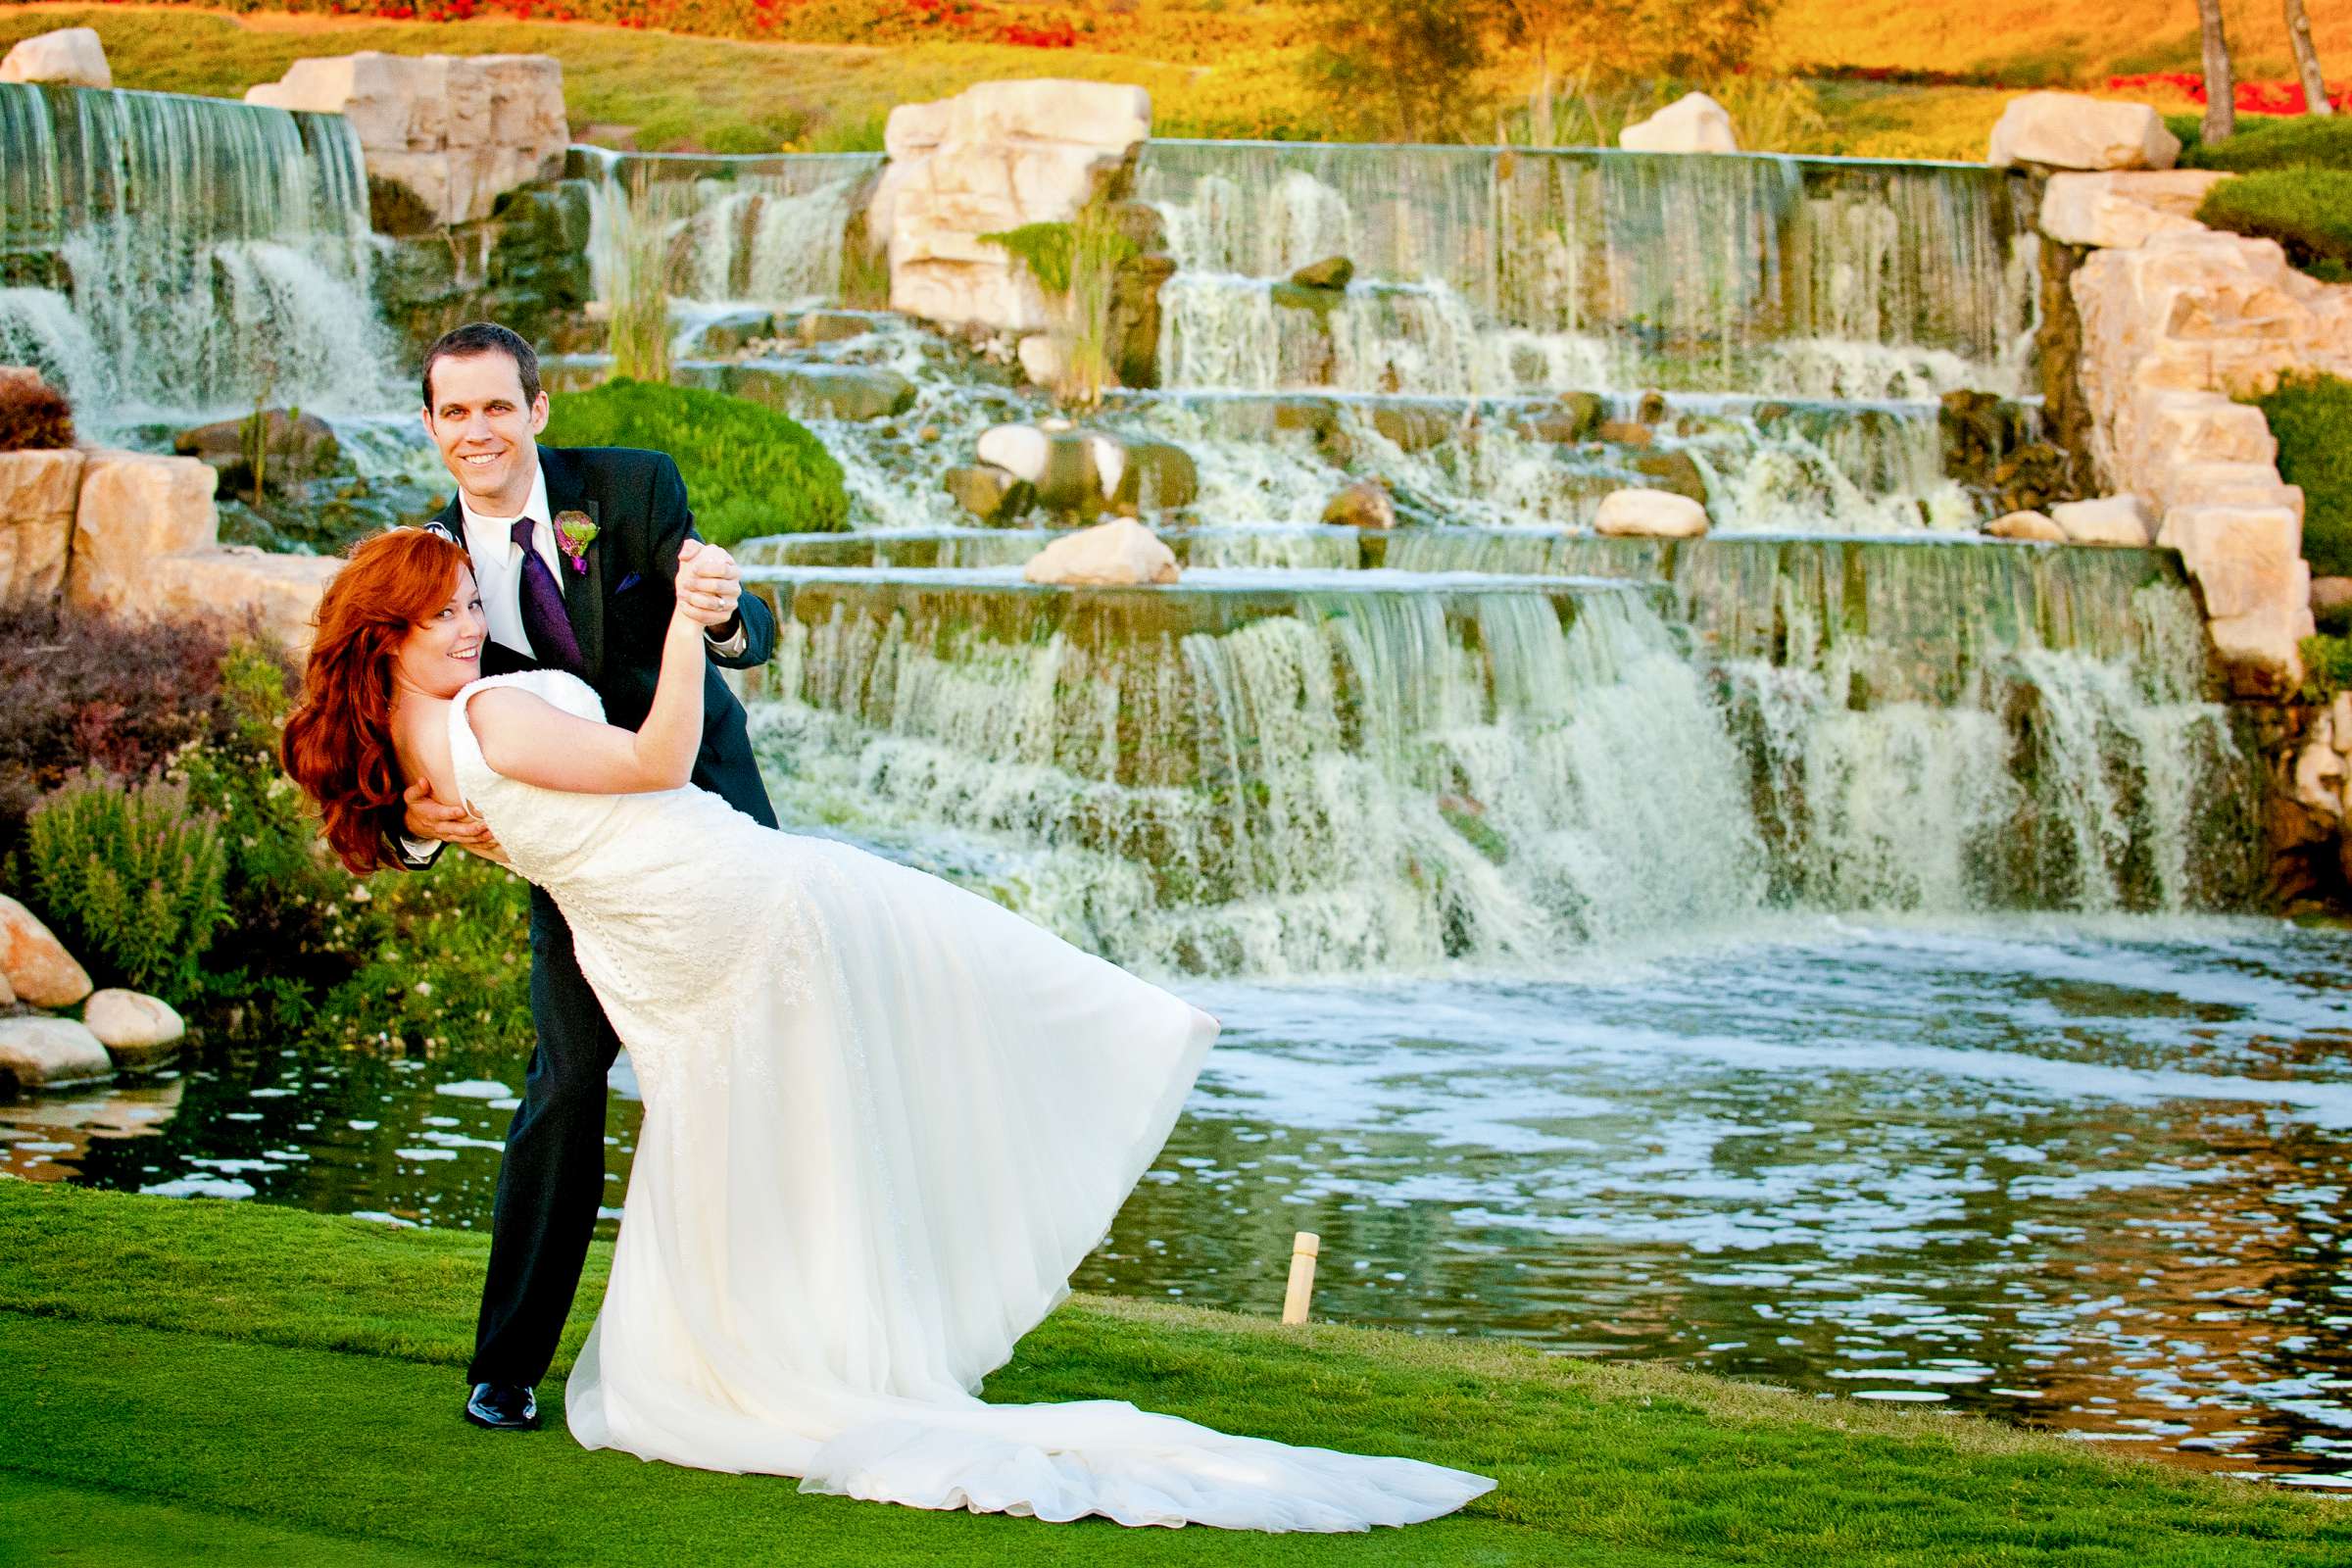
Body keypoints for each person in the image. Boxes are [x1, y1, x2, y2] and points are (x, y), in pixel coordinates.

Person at [279, 525, 1496, 1530]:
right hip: (746, 903)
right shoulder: (487, 717)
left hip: (658, 944)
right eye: (441, 613)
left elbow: (533, 837)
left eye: (462, 604)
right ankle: (1139, 1035)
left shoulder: (410, 765)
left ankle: (781, 1351)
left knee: (754, 1139)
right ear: (386, 634)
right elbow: (660, 759)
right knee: (974, 964)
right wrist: (687, 628)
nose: (468, 624)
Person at [377, 322, 778, 1438]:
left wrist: (727, 614)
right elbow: (380, 721)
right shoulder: (426, 563)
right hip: (582, 860)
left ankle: (746, 1347)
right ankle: (506, 1364)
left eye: (497, 407)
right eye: (454, 413)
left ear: (538, 411)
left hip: (705, 821)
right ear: (429, 427)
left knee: (744, 1075)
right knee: (565, 1079)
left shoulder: (634, 486)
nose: (478, 432)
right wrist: (421, 826)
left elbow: (738, 622)